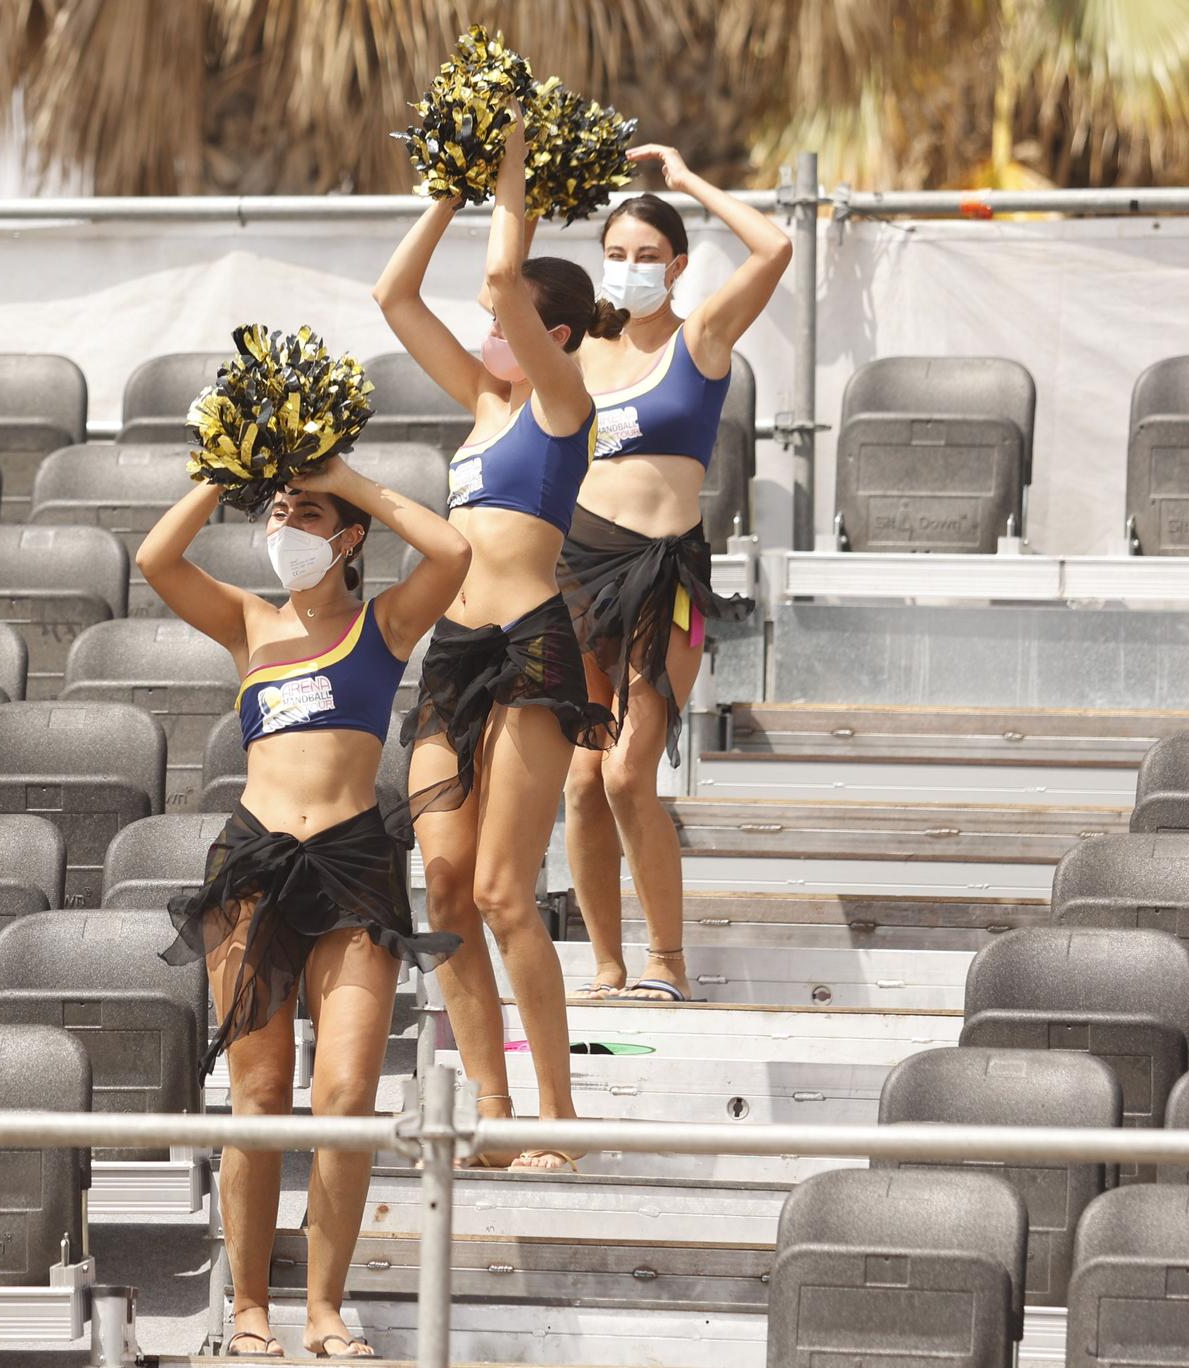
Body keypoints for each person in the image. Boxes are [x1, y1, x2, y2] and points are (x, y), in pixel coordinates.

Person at [139, 453, 468, 1359]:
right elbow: (156, 562)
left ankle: (325, 1309)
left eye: (305, 513)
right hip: (252, 862)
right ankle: (249, 1308)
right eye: (276, 510)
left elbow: (450, 553)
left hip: (353, 864)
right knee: (257, 1097)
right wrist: (228, 469)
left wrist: (346, 477)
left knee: (347, 1097)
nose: (284, 526)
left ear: (349, 536)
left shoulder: (384, 624)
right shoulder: (249, 622)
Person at [374, 107, 618, 1173]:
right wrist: (450, 181)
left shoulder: (561, 403)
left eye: (506, 317)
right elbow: (390, 296)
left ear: (549, 332)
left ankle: (556, 1114)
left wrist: (510, 165)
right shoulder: (478, 402)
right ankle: (492, 1108)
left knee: (503, 892)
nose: (486, 329)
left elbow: (502, 282)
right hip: (453, 655)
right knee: (440, 885)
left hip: (528, 644)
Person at [560, 145, 789, 1003]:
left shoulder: (703, 339)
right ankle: (608, 968)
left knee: (627, 772)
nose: (629, 269)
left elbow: (774, 251)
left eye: (647, 255)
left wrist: (687, 181)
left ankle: (667, 962)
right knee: (582, 784)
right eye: (615, 254)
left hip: (667, 575)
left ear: (678, 265)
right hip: (580, 571)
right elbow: (497, 300)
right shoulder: (578, 349)